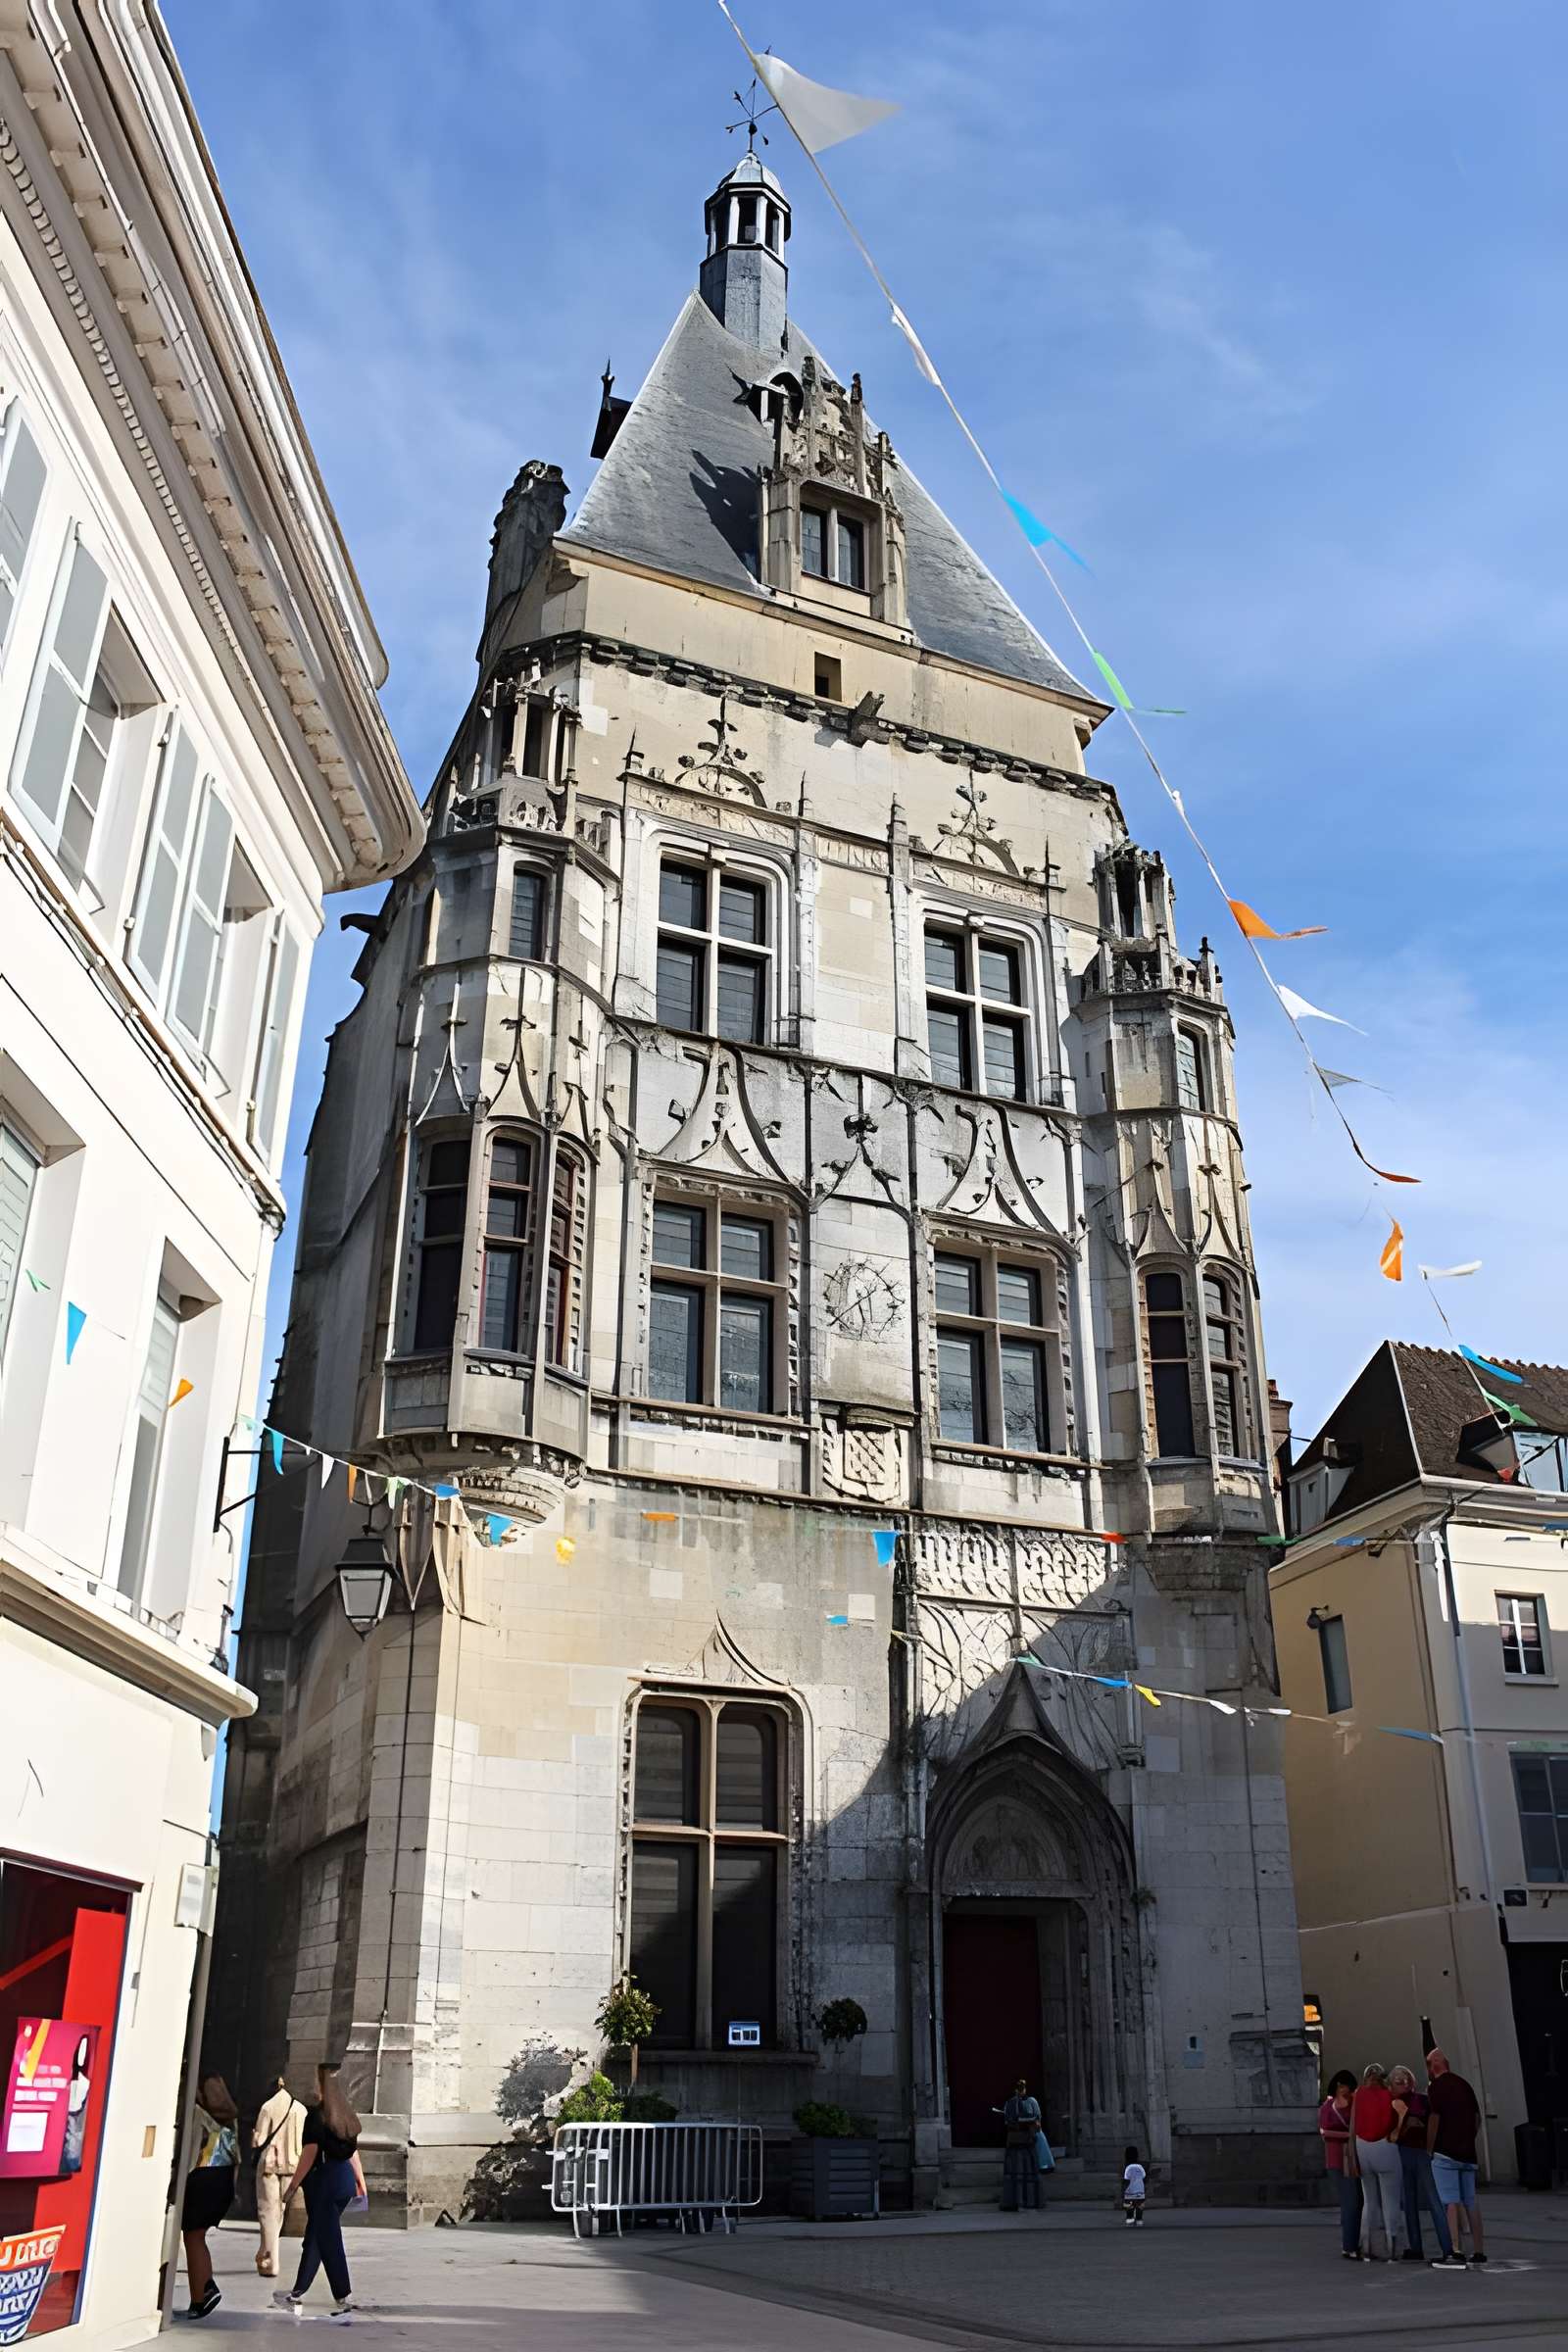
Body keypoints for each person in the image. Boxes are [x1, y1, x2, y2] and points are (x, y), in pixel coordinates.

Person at [272, 2064, 367, 2319]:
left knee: (329, 2240)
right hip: (343, 2180)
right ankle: (297, 2291)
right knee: (315, 2237)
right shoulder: (345, 2115)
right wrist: (360, 2180)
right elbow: (353, 2152)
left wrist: (292, 2187)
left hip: (323, 2182)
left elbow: (310, 2152)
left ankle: (343, 2294)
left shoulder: (317, 2116)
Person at [181, 2075, 239, 2319]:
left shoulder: (196, 2114)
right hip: (221, 2178)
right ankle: (203, 2290)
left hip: (201, 2176)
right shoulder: (228, 2120)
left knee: (192, 2237)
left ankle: (202, 2294)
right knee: (197, 2236)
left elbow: (190, 2150)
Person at [1425, 2048, 1484, 2268]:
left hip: (1445, 2152)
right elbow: (1477, 2118)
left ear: (1433, 2067)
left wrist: (1429, 2149)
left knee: (1450, 2201)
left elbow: (1434, 2118)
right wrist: (1468, 2138)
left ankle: (1455, 2251)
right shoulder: (1464, 2085)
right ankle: (1479, 2250)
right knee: (1471, 2200)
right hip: (1468, 2153)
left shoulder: (1435, 2088)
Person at [1389, 2064, 1451, 2263]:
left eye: (1407, 2079)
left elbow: (1436, 2121)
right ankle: (1415, 2246)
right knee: (1408, 2201)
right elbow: (1390, 2133)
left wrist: (1430, 2146)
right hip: (1402, 2151)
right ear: (1391, 2085)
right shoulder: (1391, 2103)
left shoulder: (1423, 2100)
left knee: (1434, 2199)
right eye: (1399, 2081)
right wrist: (1405, 2126)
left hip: (1423, 2152)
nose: (1405, 2083)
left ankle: (1448, 2247)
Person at [252, 2075, 308, 2278]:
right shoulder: (301, 2109)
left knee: (268, 2212)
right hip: (293, 2164)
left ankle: (269, 2260)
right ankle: (269, 2256)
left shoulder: (267, 2107)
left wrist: (253, 2136)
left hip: (270, 2164)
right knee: (281, 2211)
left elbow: (259, 2140)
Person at [1350, 2063, 1402, 2262]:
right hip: (1385, 2146)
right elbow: (1396, 2121)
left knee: (1369, 2201)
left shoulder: (1359, 2094)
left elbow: (1353, 2124)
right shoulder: (1388, 2095)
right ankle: (1392, 2248)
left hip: (1362, 2147)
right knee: (1390, 2200)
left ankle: (1367, 2247)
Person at [1318, 2069, 1362, 2259]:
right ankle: (1349, 2245)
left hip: (1354, 2158)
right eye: (1342, 2086)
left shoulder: (1355, 2105)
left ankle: (1353, 2242)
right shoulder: (1328, 2107)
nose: (1345, 2090)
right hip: (1337, 2159)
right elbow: (1324, 2132)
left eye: (1348, 2087)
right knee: (1350, 2202)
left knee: (1357, 2202)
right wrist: (1347, 2136)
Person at [996, 2078, 1042, 2213]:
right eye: (1019, 2088)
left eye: (1022, 2088)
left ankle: (1031, 2201)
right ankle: (1016, 2202)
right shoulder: (1010, 2103)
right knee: (1016, 2173)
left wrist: (1031, 2124)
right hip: (1016, 2142)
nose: (1021, 2091)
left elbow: (1038, 2120)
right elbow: (1007, 2121)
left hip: (1028, 2142)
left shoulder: (1032, 2102)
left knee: (1029, 2172)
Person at [1122, 2145, 1147, 2227]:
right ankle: (1139, 2220)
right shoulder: (1140, 2166)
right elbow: (1144, 2177)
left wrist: (1123, 2190)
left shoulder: (1127, 2167)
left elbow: (1126, 2180)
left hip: (1130, 2191)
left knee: (1129, 2206)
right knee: (1139, 2206)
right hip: (1140, 2190)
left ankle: (1130, 2219)